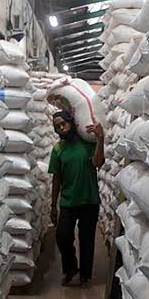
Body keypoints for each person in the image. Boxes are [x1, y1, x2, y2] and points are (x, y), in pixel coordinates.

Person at [48, 111, 105, 288]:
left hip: (89, 200)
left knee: (86, 240)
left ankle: (85, 276)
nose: (61, 127)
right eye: (57, 126)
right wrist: (53, 205)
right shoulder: (58, 149)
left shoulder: (87, 143)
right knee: (62, 237)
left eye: (63, 123)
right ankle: (71, 268)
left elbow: (98, 163)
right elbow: (56, 178)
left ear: (71, 122)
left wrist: (100, 139)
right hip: (68, 201)